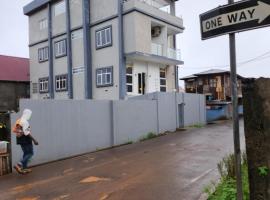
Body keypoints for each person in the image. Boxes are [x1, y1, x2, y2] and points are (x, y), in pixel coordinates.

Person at [12, 109, 38, 174]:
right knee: (30, 153)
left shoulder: (18, 120)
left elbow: (14, 130)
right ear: (26, 114)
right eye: (29, 114)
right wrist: (34, 140)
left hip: (20, 139)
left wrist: (20, 131)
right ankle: (19, 165)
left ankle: (24, 168)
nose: (29, 116)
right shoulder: (25, 122)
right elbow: (27, 133)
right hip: (26, 139)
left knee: (26, 153)